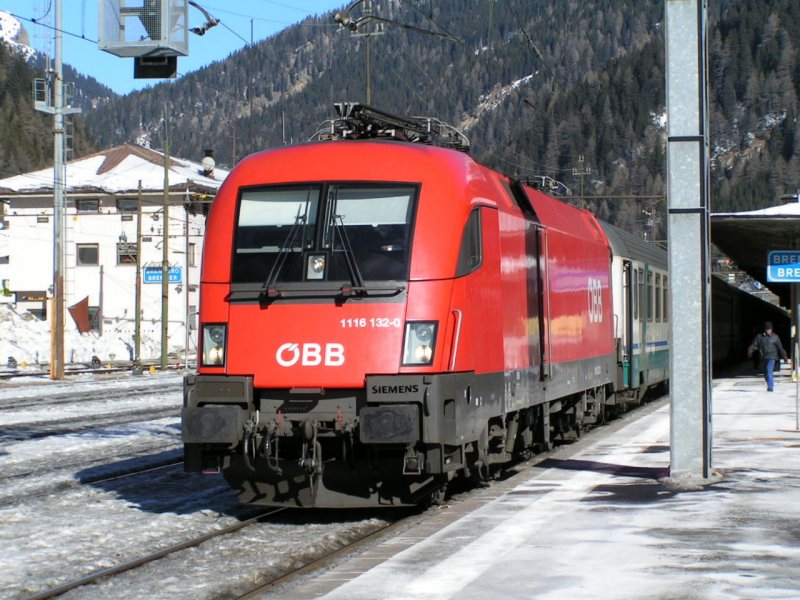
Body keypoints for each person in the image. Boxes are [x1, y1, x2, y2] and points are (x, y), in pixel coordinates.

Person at [747, 321, 788, 392]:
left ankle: (770, 387)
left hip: (772, 357)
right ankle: (769, 382)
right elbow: (754, 345)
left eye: (770, 329)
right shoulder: (759, 337)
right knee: (765, 373)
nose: (769, 330)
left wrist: (784, 356)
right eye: (767, 329)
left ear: (772, 329)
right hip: (763, 358)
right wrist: (750, 350)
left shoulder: (775, 337)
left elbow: (780, 348)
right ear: (765, 329)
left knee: (769, 371)